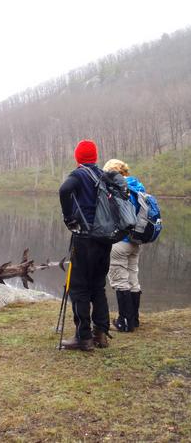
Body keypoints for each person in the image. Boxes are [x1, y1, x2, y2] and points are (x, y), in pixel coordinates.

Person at [59, 140, 112, 351]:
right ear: (95, 156)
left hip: (84, 239)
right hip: (104, 239)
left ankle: (83, 337)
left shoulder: (79, 174)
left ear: (78, 157)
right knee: (98, 286)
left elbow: (64, 190)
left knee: (79, 288)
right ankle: (101, 334)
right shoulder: (102, 174)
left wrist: (68, 217)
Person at [103, 159, 145, 332]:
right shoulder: (138, 187)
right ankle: (134, 320)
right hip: (136, 241)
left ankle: (124, 322)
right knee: (133, 279)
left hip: (120, 241)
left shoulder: (117, 190)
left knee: (120, 281)